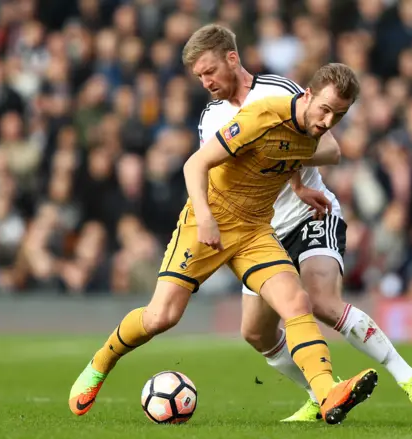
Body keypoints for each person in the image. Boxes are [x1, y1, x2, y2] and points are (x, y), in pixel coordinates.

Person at [69, 61, 377, 425]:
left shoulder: (307, 127)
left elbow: (285, 153)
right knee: (161, 317)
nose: (328, 122)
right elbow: (194, 165)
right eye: (325, 110)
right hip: (208, 221)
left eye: (337, 116)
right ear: (306, 95)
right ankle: (101, 362)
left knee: (296, 302)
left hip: (254, 230)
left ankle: (328, 393)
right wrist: (206, 217)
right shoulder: (260, 116)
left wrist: (298, 187)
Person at [186, 24, 412, 421]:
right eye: (199, 76)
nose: (205, 82)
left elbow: (326, 145)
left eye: (209, 72)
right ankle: (321, 393)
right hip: (259, 231)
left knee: (320, 301)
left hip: (308, 215)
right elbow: (222, 169)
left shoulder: (278, 91)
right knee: (255, 333)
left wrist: (298, 182)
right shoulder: (211, 117)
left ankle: (410, 378)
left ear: (231, 58)